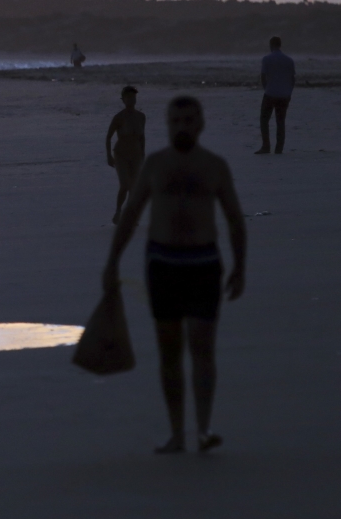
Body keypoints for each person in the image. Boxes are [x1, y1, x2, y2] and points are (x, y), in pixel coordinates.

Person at [103, 96, 247, 454]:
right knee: (169, 352)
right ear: (168, 124)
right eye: (176, 121)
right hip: (163, 265)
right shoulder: (155, 165)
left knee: (202, 349)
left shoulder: (215, 166)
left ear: (200, 125)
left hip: (203, 265)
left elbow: (234, 220)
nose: (182, 126)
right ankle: (176, 433)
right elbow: (131, 215)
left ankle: (203, 429)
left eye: (189, 120)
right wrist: (112, 263)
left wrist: (240, 267)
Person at [106, 86, 146, 224]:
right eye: (128, 97)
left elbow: (142, 137)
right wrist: (108, 156)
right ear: (123, 100)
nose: (131, 100)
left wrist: (143, 154)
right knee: (125, 185)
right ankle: (118, 211)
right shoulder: (119, 117)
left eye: (133, 97)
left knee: (134, 187)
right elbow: (108, 137)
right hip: (121, 154)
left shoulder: (141, 117)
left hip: (136, 155)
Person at [256, 36, 295, 155]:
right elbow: (292, 78)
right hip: (284, 94)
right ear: (280, 45)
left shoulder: (267, 59)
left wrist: (266, 88)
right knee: (280, 121)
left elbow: (263, 76)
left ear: (271, 45)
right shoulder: (289, 60)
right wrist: (289, 92)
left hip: (270, 93)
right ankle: (279, 148)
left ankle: (266, 146)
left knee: (264, 120)